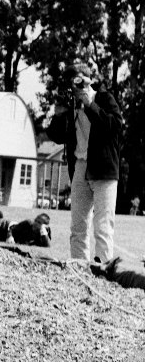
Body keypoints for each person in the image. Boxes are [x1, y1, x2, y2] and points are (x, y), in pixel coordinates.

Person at [46, 62, 123, 263]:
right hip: (80, 166)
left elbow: (115, 126)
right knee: (78, 225)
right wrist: (58, 114)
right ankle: (80, 265)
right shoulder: (71, 106)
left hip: (104, 169)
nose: (76, 87)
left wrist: (91, 105)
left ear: (89, 81)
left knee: (103, 225)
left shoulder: (103, 98)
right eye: (72, 83)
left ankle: (104, 267)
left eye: (80, 81)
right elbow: (55, 135)